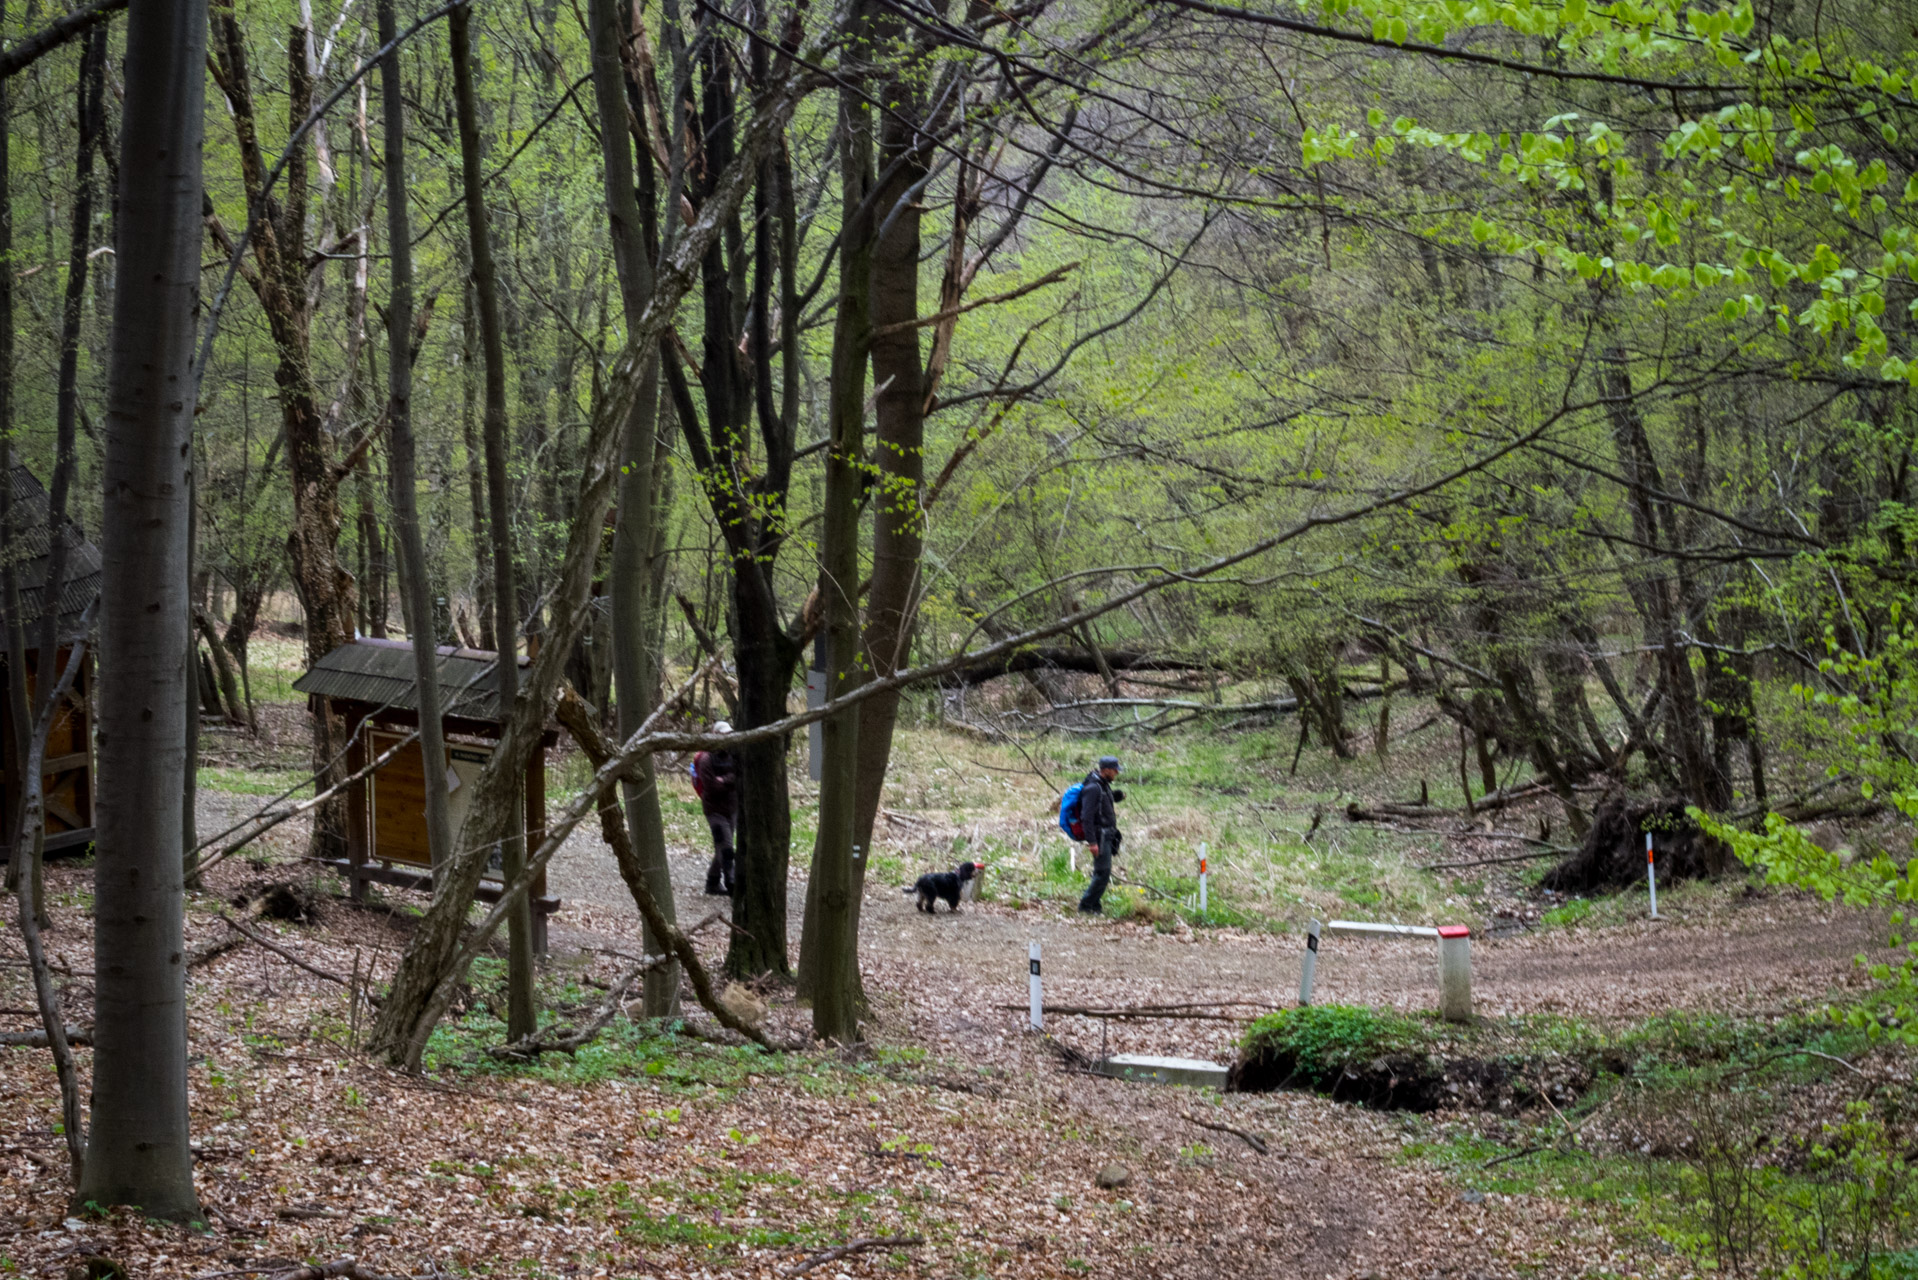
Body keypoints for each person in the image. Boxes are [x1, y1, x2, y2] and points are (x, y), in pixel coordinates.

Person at [692, 722, 741, 896]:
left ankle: (712, 882)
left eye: (728, 734)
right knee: (726, 846)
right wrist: (729, 781)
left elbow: (739, 776)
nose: (726, 738)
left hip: (732, 809)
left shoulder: (733, 755)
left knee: (721, 847)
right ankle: (731, 882)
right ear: (715, 734)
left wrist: (724, 780)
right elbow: (712, 787)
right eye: (723, 734)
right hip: (714, 811)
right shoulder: (706, 759)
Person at [1077, 755, 1122, 915]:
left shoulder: (1103, 784)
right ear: (1106, 770)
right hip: (1099, 836)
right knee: (1102, 872)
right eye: (1115, 769)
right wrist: (1092, 842)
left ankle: (1094, 905)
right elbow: (1086, 817)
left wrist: (1116, 796)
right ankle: (1086, 905)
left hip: (1107, 835)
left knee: (1104, 872)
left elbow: (1102, 803)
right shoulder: (1093, 787)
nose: (1117, 772)